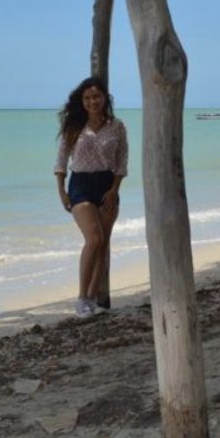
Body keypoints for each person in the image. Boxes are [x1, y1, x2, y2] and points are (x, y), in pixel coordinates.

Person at [54, 77, 128, 318]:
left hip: (107, 186)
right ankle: (81, 298)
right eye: (87, 98)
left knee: (103, 243)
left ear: (104, 98)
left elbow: (121, 162)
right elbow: (61, 160)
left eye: (96, 96)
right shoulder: (74, 127)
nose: (92, 101)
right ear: (82, 102)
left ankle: (94, 299)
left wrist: (114, 189)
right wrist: (62, 191)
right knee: (94, 239)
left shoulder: (117, 126)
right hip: (81, 185)